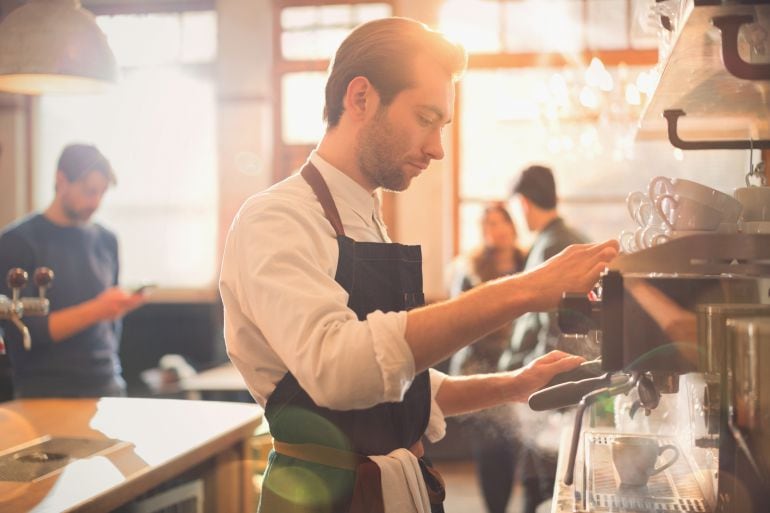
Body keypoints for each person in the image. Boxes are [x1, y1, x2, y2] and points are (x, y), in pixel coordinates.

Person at [219, 17, 618, 513]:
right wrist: (526, 290)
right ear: (360, 97)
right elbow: (340, 370)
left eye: (442, 125)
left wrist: (515, 384)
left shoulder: (366, 215)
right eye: (425, 118)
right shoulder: (276, 218)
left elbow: (398, 386)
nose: (437, 148)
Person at [0, 144, 146, 398]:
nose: (96, 202)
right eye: (90, 191)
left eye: (102, 193)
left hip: (107, 383)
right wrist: (98, 309)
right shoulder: (17, 242)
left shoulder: (106, 239)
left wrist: (115, 307)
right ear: (61, 180)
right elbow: (26, 332)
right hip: (43, 391)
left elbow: (111, 328)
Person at [504, 164, 590, 513]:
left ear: (524, 203)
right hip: (569, 384)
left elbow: (557, 331)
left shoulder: (551, 246)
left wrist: (532, 383)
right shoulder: (574, 238)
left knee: (540, 488)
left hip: (550, 389)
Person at [447, 202, 525, 513]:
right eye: (487, 225)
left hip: (520, 369)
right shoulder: (471, 269)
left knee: (512, 449)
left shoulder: (529, 262)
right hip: (480, 371)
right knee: (489, 450)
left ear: (512, 226)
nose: (495, 230)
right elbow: (458, 322)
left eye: (499, 222)